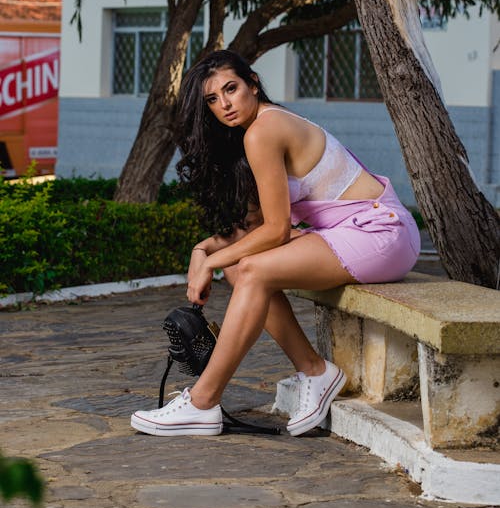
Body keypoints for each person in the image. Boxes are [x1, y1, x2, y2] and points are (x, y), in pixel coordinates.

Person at [131, 50, 421, 437]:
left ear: (252, 82)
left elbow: (277, 231)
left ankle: (203, 402)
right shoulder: (253, 135)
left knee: (250, 268)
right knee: (241, 265)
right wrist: (203, 251)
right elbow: (254, 228)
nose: (225, 104)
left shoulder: (264, 129)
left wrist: (209, 263)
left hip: (380, 232)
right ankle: (316, 372)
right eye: (212, 100)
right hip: (348, 232)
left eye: (231, 89)